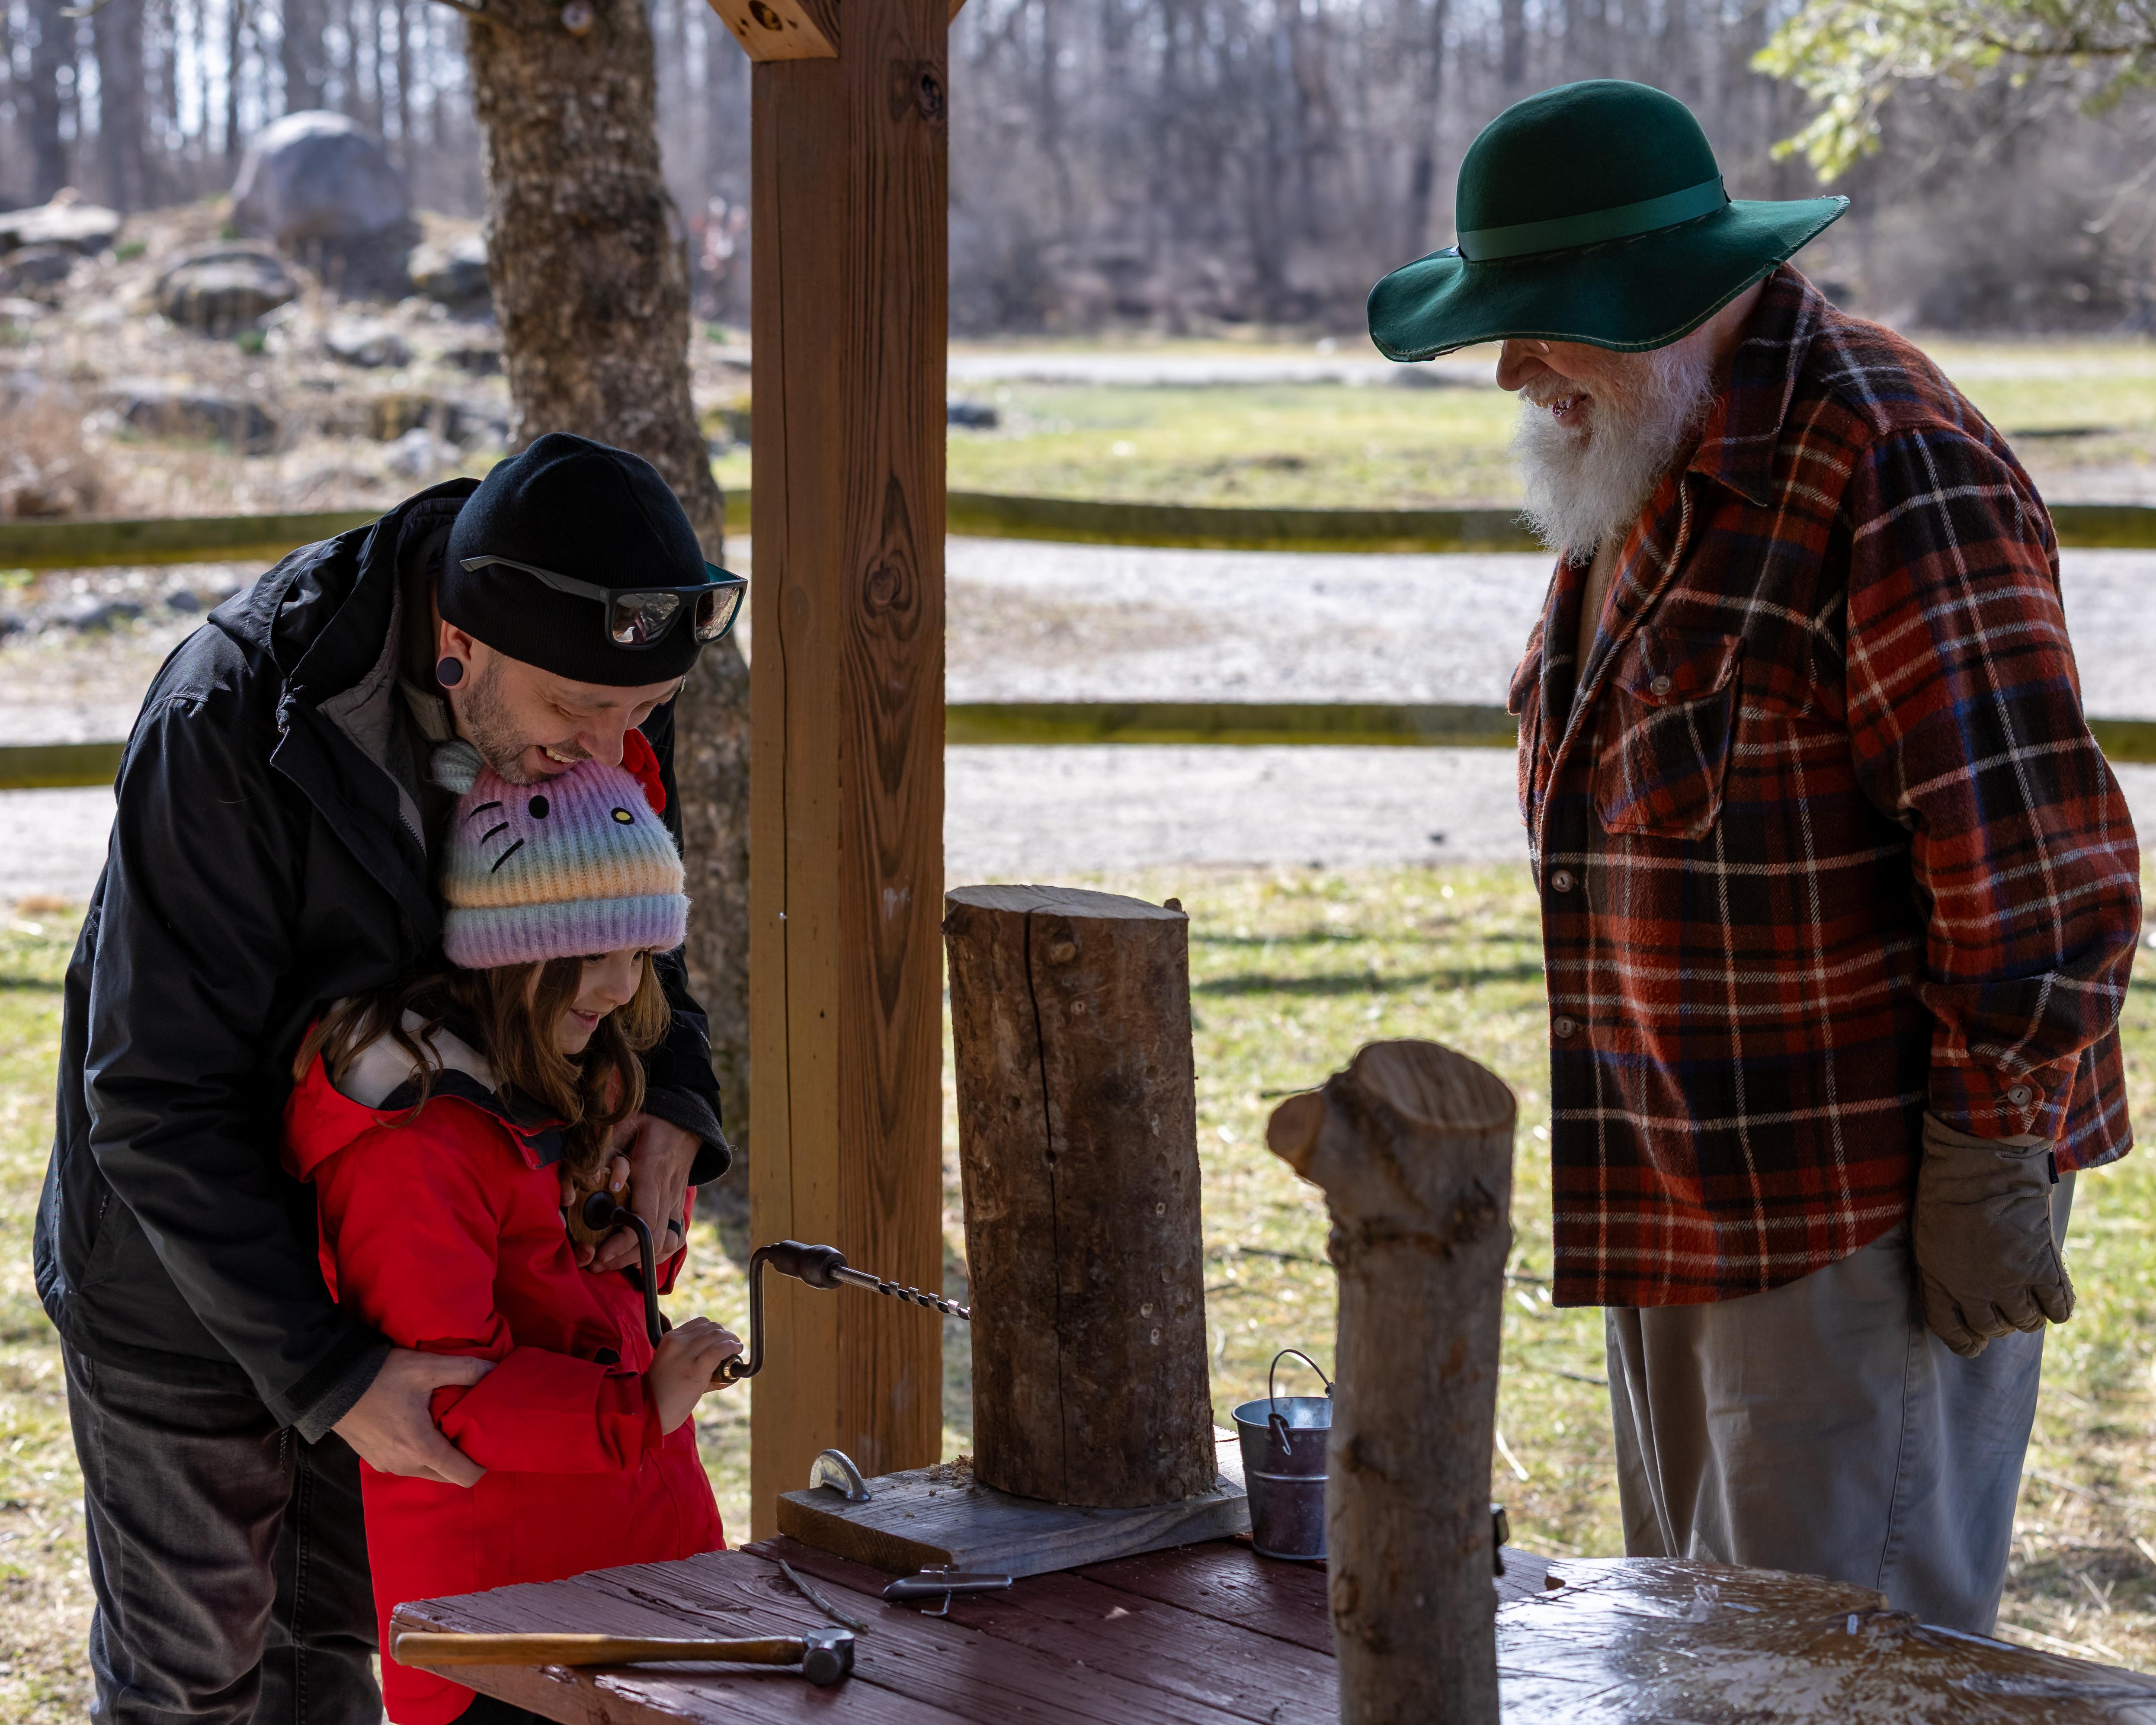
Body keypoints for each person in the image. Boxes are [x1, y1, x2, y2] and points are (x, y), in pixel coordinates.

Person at [1367, 80, 2140, 1632]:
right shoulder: (1649, 445)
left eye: (1534, 321)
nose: (1509, 367)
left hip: (1857, 1211)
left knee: (1839, 1663)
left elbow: (2034, 861)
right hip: (1678, 1186)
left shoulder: (1886, 459)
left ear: (1655, 297)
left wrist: (1988, 1155)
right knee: (1697, 1648)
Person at [36, 432, 744, 1722]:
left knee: (338, 1640)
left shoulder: (600, 674)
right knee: (194, 1677)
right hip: (191, 1277)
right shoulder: (232, 713)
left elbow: (640, 931)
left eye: (637, 717)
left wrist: (674, 1098)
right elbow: (150, 1094)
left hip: (406, 1260)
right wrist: (328, 1374)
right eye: (578, 716)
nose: (609, 748)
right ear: (458, 646)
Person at [283, 745, 741, 1725]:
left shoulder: (579, 1065)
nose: (624, 986)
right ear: (509, 944)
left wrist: (634, 1231)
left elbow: (586, 1284)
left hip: (627, 1557)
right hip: (498, 1624)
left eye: (640, 954)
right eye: (597, 953)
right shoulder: (414, 1139)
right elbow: (442, 1389)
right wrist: (639, 1407)